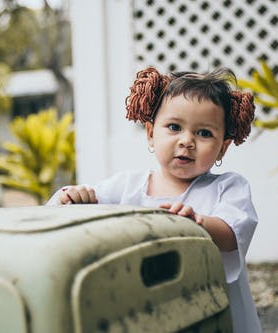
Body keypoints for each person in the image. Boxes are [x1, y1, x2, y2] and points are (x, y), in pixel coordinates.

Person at [47, 67, 262, 333]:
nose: (187, 141)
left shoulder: (227, 187)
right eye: (174, 127)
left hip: (213, 309)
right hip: (148, 305)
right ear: (151, 132)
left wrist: (199, 223)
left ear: (223, 146)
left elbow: (233, 233)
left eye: (204, 133)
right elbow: (82, 204)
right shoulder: (126, 187)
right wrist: (75, 197)